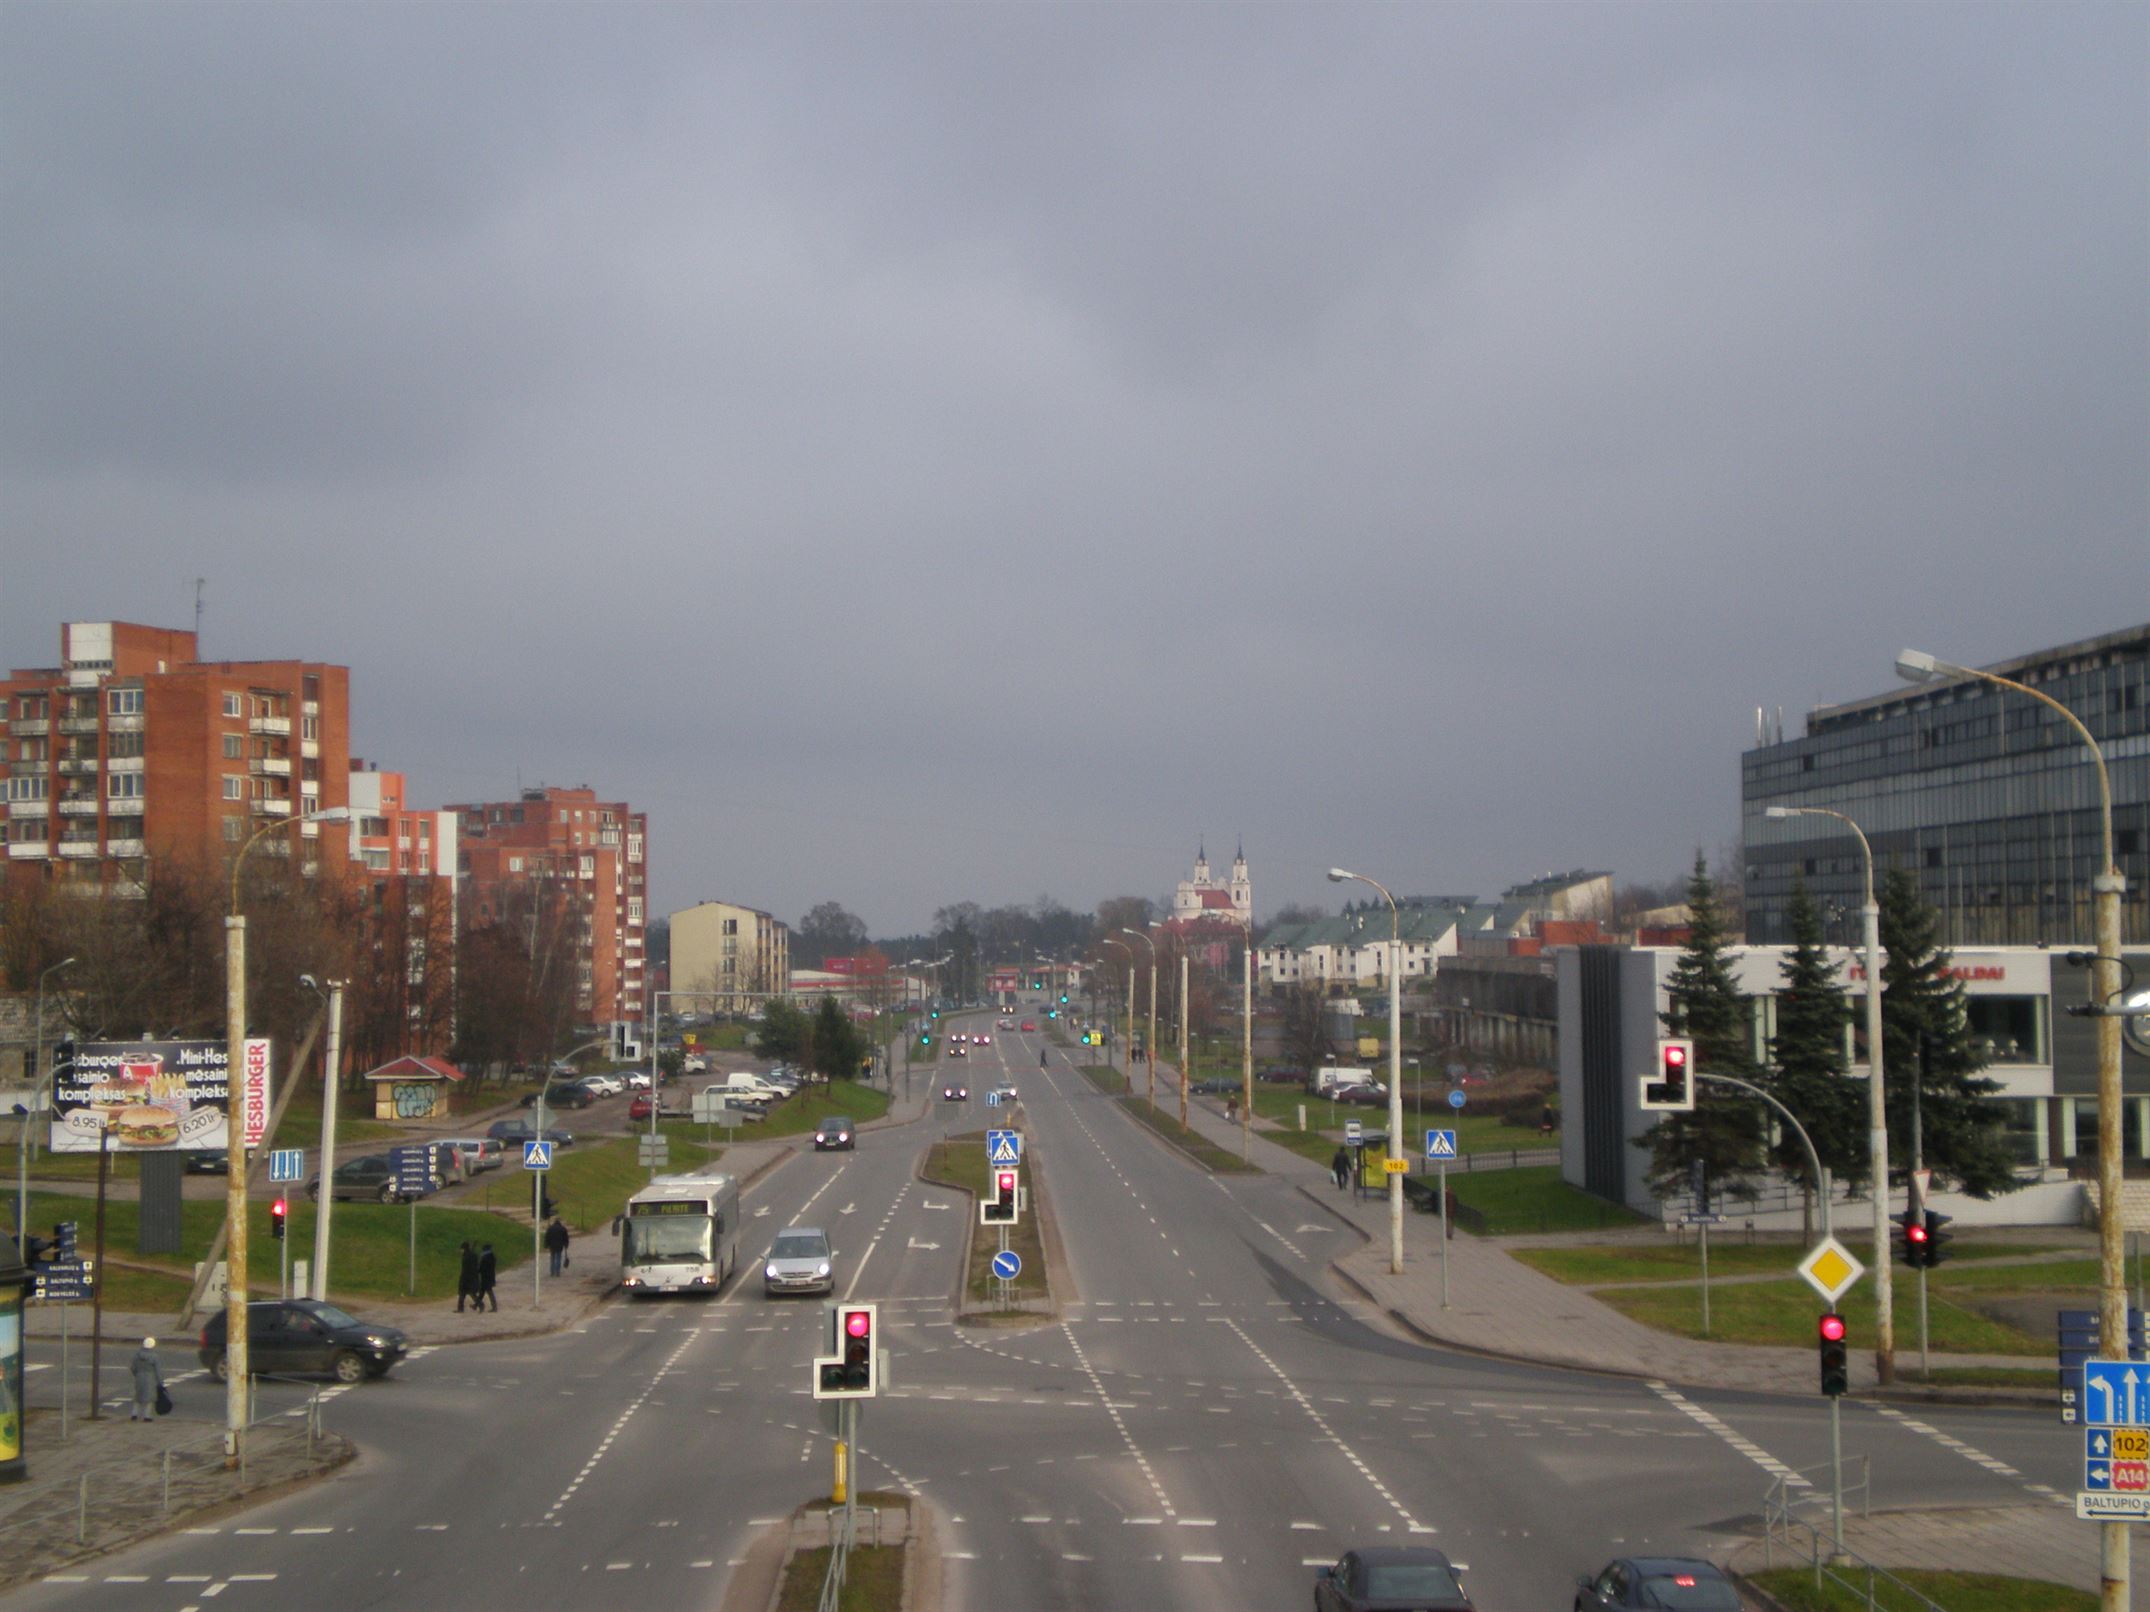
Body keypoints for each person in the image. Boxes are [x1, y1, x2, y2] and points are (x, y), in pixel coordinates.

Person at [129, 1336, 164, 1422]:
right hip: (150, 1378)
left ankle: (134, 1414)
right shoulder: (154, 1356)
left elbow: (133, 1368)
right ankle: (147, 1416)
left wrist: (137, 1374)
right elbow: (158, 1371)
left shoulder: (137, 1355)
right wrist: (160, 1382)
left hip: (139, 1377)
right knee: (150, 1397)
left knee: (138, 1396)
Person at [456, 1240, 479, 1313]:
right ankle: (480, 1304)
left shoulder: (466, 1257)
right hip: (473, 1277)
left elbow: (465, 1269)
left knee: (463, 1293)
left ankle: (460, 1308)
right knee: (470, 1293)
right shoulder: (473, 1255)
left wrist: (462, 1278)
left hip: (466, 1278)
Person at [477, 1243, 499, 1312]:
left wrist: (477, 1271)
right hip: (490, 1276)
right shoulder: (492, 1256)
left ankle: (494, 1307)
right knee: (482, 1291)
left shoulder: (484, 1258)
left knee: (489, 1292)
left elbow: (481, 1268)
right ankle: (476, 1304)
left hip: (485, 1277)